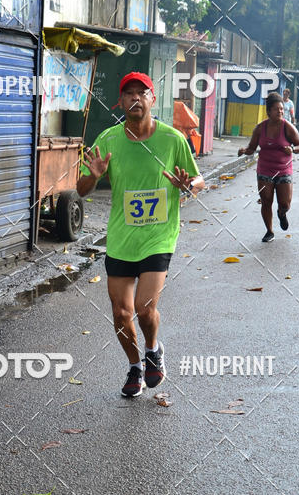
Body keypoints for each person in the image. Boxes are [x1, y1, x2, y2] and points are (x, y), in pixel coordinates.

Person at [77, 72, 205, 397]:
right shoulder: (107, 140)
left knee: (144, 308)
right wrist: (93, 178)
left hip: (159, 236)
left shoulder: (173, 139)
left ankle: (153, 349)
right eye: (128, 94)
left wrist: (187, 184)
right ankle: (136, 365)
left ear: (151, 99)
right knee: (121, 313)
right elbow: (80, 189)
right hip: (122, 237)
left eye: (141, 93)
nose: (135, 98)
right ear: (120, 101)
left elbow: (198, 180)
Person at [237, 91, 299, 242]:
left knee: (285, 203)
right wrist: (243, 151)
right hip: (265, 169)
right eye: (277, 109)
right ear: (268, 111)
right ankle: (269, 231)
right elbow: (251, 148)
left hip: (283, 169)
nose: (280, 112)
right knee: (266, 200)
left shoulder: (287, 127)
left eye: (282, 109)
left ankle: (282, 213)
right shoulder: (260, 129)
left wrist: (293, 149)